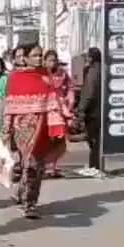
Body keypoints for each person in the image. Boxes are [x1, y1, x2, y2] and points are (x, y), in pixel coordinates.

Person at [2, 44, 68, 219]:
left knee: (35, 166)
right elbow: (9, 106)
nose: (39, 59)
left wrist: (59, 123)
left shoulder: (46, 77)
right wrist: (6, 130)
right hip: (21, 128)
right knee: (26, 165)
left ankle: (29, 202)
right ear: (25, 58)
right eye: (35, 56)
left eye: (40, 55)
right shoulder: (15, 78)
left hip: (42, 128)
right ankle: (25, 197)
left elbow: (54, 101)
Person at [43, 49, 75, 178]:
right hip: (45, 111)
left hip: (60, 111)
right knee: (47, 141)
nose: (53, 62)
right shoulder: (40, 75)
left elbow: (70, 88)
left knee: (60, 141)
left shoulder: (63, 74)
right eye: (50, 60)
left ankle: (53, 166)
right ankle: (46, 166)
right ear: (45, 61)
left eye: (54, 60)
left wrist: (69, 101)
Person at [74, 47, 104, 177]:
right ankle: (95, 165)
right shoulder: (104, 69)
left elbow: (88, 93)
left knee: (94, 140)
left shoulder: (92, 72)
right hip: (101, 109)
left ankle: (94, 166)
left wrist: (81, 109)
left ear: (91, 58)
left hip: (93, 111)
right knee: (97, 139)